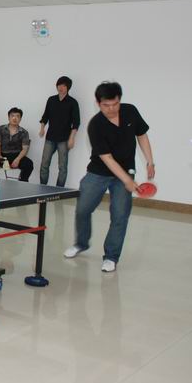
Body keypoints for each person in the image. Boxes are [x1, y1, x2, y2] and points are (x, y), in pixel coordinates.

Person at [63, 81, 154, 273]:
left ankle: (111, 256)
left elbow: (142, 135)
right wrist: (128, 181)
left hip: (125, 171)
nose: (111, 109)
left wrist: (149, 161)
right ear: (98, 103)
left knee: (120, 215)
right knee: (83, 209)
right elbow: (107, 158)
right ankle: (81, 243)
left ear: (120, 100)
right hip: (98, 171)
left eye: (115, 104)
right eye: (106, 105)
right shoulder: (96, 125)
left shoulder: (130, 111)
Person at [39, 76, 80, 187]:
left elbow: (76, 122)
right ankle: (42, 188)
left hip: (64, 139)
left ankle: (59, 191)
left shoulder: (73, 102)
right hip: (50, 137)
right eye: (59, 85)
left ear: (68, 87)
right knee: (44, 164)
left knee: (62, 167)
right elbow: (45, 116)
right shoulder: (51, 100)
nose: (61, 88)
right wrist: (42, 128)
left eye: (64, 86)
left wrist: (72, 138)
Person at [0, 107, 34, 181]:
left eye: (17, 116)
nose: (14, 118)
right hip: (2, 155)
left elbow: (25, 149)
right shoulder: (1, 129)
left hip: (16, 156)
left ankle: (22, 183)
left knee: (29, 164)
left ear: (20, 119)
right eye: (12, 116)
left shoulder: (24, 132)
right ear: (8, 117)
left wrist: (17, 159)